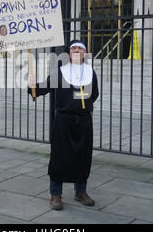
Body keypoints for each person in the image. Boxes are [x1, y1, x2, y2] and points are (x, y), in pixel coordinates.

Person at [27, 39, 99, 210]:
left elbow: (94, 94)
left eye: (80, 48)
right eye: (73, 48)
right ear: (68, 52)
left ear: (84, 53)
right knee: (59, 158)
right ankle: (55, 194)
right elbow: (42, 89)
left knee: (83, 157)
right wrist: (32, 86)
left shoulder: (90, 71)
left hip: (84, 121)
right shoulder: (60, 72)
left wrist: (80, 106)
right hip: (64, 121)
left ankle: (80, 192)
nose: (76, 50)